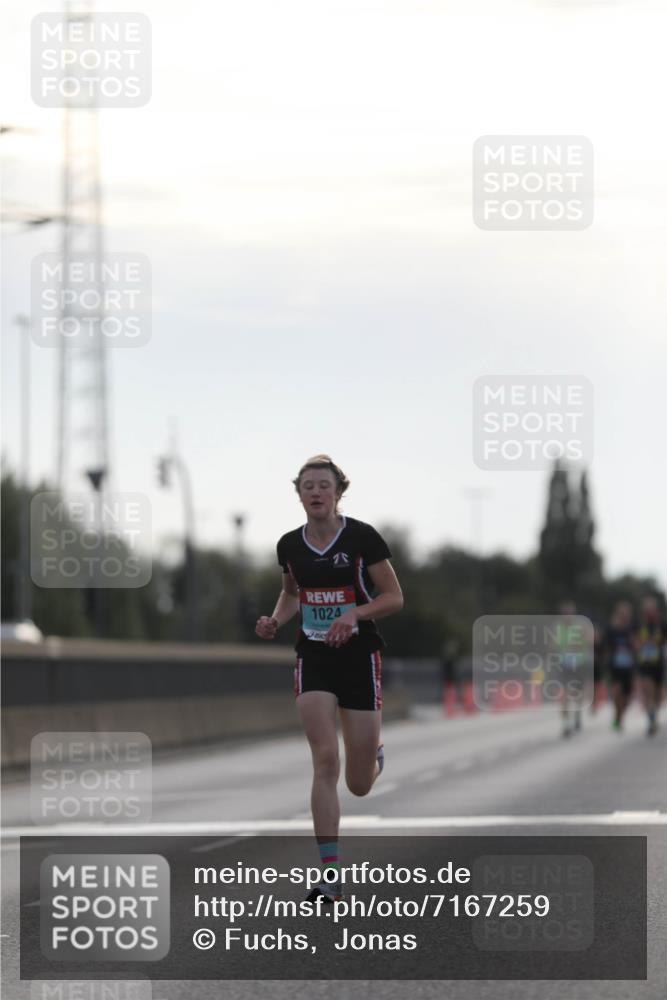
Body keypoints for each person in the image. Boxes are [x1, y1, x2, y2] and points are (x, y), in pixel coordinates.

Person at [255, 455, 403, 903]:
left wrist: (354, 613)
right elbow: (291, 593)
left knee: (358, 783)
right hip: (314, 656)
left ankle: (373, 756)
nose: (316, 492)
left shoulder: (362, 537)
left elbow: (394, 597)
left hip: (358, 657)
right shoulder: (289, 545)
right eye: (308, 486)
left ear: (338, 492)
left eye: (324, 485)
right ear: (298, 494)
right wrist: (276, 620)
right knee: (324, 760)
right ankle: (330, 876)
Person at [634, 595, 667, 736]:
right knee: (648, 691)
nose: (650, 612)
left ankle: (654, 713)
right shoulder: (639, 625)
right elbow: (634, 641)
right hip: (645, 664)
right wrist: (641, 645)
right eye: (647, 610)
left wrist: (657, 644)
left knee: (657, 695)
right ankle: (651, 720)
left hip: (658, 664)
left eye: (652, 609)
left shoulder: (662, 625)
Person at [604, 600, 635, 732]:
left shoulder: (632, 629)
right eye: (621, 614)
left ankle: (619, 715)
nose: (624, 616)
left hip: (628, 667)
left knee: (627, 698)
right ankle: (618, 717)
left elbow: (637, 646)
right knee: (617, 693)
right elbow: (606, 647)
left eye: (626, 614)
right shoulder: (611, 629)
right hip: (615, 667)